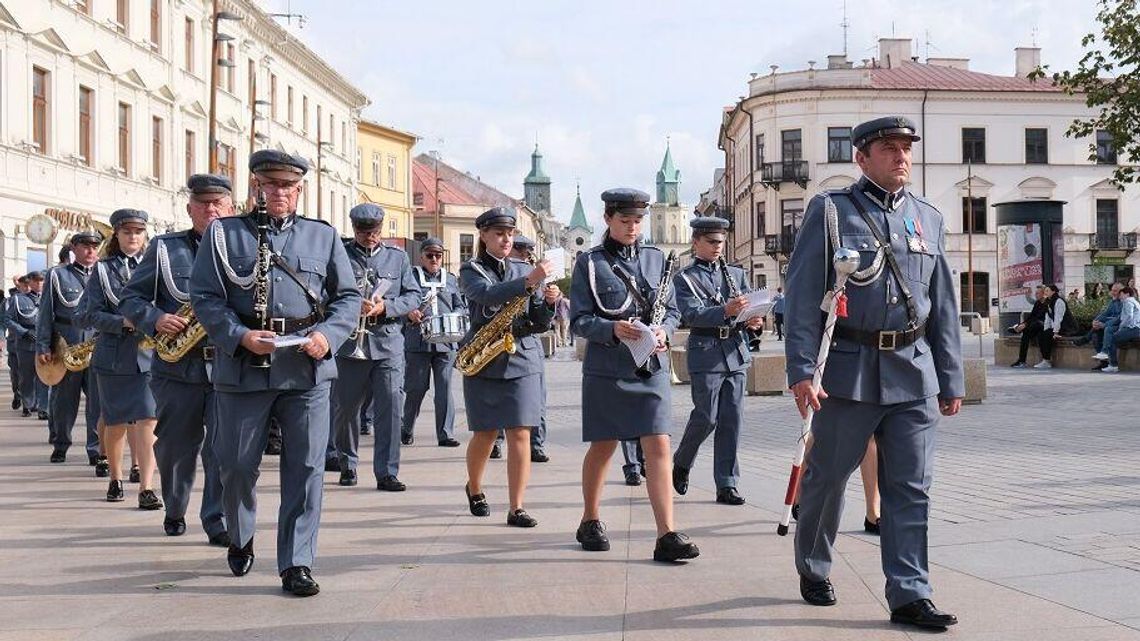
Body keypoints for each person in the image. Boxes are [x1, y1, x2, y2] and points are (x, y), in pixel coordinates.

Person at [784, 117, 963, 629]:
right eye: (890, 149)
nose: (902, 157)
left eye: (906, 149)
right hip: (848, 372)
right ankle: (814, 565)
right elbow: (801, 298)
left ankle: (910, 593)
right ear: (862, 157)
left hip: (913, 372)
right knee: (827, 479)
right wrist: (801, 370)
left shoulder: (928, 217)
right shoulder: (831, 212)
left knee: (911, 487)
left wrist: (950, 376)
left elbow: (942, 304)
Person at [190, 149, 360, 596]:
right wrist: (239, 336)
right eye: (270, 185)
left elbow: (348, 299)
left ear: (299, 190)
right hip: (244, 367)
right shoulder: (225, 235)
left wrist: (328, 334)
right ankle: (241, 533)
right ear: (256, 188)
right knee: (236, 466)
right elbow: (206, 297)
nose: (279, 193)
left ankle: (297, 563)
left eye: (287, 186)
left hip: (305, 368)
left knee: (306, 468)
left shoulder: (322, 237)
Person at [569, 187, 700, 563]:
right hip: (608, 367)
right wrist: (610, 330)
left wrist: (664, 332)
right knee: (604, 445)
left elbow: (673, 311)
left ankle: (666, 534)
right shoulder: (590, 263)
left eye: (637, 221)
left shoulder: (656, 258)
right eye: (624, 221)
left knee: (658, 444)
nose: (632, 227)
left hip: (650, 366)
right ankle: (590, 518)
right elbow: (578, 320)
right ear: (608, 219)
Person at [120, 174, 234, 543]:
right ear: (190, 209)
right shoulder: (166, 249)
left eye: (218, 203)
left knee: (222, 449)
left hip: (228, 366)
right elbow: (130, 299)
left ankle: (215, 519)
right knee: (174, 446)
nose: (211, 209)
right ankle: (175, 505)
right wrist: (156, 318)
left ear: (230, 207)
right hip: (177, 367)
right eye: (203, 203)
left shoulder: (246, 248)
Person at [458, 207, 558, 528]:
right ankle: (474, 487)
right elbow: (486, 297)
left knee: (520, 434)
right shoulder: (471, 270)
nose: (505, 239)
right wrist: (530, 281)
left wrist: (550, 303)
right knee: (485, 434)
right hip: (484, 356)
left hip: (522, 354)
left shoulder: (523, 267)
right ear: (484, 235)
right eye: (499, 233)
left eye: (510, 233)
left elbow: (540, 321)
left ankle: (517, 507)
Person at [671, 217, 764, 506]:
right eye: (711, 242)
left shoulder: (735, 274)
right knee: (706, 417)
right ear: (696, 242)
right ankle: (682, 461)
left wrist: (754, 321)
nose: (717, 248)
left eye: (721, 242)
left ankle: (726, 484)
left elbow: (749, 305)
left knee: (731, 420)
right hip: (707, 352)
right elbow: (691, 314)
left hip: (735, 352)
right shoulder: (684, 278)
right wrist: (725, 310)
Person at [330, 203, 420, 491]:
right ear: (354, 229)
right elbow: (325, 293)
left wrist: (387, 307)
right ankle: (347, 463)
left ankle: (387, 471)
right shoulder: (340, 256)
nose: (370, 237)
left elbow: (413, 296)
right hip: (349, 344)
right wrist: (351, 306)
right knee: (345, 409)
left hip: (388, 342)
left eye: (375, 232)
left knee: (391, 409)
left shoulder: (398, 258)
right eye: (363, 231)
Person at [78, 210, 161, 509]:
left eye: (138, 232)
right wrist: (122, 323)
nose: (133, 237)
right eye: (127, 232)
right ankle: (116, 478)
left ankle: (147, 487)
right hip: (113, 357)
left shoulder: (156, 266)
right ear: (117, 235)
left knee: (148, 419)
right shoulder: (102, 271)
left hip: (149, 355)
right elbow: (87, 315)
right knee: (115, 422)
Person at [38, 231, 104, 465]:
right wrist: (43, 345)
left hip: (97, 345)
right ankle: (61, 444)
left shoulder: (103, 274)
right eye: (85, 246)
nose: (90, 252)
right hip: (68, 344)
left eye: (94, 247)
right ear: (74, 248)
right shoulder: (58, 275)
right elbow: (45, 313)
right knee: (64, 400)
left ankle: (95, 449)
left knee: (97, 401)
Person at [488, 234, 551, 463]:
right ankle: (496, 440)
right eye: (520, 251)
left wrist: (550, 304)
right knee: (498, 398)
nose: (524, 256)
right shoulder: (496, 273)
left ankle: (536, 444)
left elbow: (542, 321)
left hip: (527, 342)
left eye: (527, 253)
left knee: (536, 399)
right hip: (497, 343)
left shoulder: (535, 276)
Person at [401, 237, 464, 449]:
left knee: (445, 388)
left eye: (438, 255)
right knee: (416, 388)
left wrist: (456, 314)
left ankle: (445, 433)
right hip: (418, 341)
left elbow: (460, 305)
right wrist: (409, 313)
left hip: (446, 343)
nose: (435, 259)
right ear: (422, 256)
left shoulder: (451, 279)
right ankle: (406, 427)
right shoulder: (410, 276)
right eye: (430, 255)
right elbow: (400, 303)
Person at [18, 273, 50, 421]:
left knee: (44, 377)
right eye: (36, 281)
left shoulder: (49, 298)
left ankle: (43, 408)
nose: (39, 284)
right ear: (29, 282)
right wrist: (24, 332)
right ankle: (28, 403)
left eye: (41, 281)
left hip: (44, 344)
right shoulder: (18, 300)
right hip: (26, 345)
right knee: (27, 377)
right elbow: (7, 320)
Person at [4, 277, 30, 413]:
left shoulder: (36, 301)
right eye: (24, 286)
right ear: (18, 287)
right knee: (15, 373)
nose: (27, 288)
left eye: (28, 285)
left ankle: (28, 403)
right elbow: (3, 322)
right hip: (14, 344)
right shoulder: (10, 301)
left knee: (28, 374)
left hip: (29, 345)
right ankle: (17, 393)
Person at [1101, 286, 1140, 373]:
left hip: (1132, 329)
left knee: (1112, 338)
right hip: (1136, 329)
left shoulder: (1128, 301)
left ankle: (1113, 365)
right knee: (1114, 336)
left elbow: (1129, 316)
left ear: (1127, 294)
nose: (1120, 297)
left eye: (1121, 294)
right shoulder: (1135, 302)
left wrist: (1121, 327)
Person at [1084, 282, 1123, 367]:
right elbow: (1105, 314)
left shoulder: (1124, 302)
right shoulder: (1113, 301)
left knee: (1108, 330)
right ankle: (1104, 362)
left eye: (1115, 291)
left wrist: (1104, 325)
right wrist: (1095, 321)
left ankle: (1086, 339)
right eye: (1112, 290)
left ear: (1121, 292)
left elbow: (1120, 319)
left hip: (1122, 327)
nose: (1113, 293)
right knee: (1095, 336)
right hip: (1111, 325)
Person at [1009, 285, 1049, 368]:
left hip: (1045, 326)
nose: (1035, 295)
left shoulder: (1047, 303)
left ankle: (1017, 329)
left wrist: (1025, 325)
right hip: (1035, 327)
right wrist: (1023, 324)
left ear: (1044, 294)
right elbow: (1031, 316)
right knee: (1026, 334)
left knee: (1036, 323)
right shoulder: (1038, 303)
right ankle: (1022, 361)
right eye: (1035, 293)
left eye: (1038, 293)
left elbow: (1040, 317)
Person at [1034, 283, 1072, 369]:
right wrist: (1046, 329)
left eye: (1047, 290)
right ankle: (1045, 359)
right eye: (1045, 291)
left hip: (1065, 327)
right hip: (1056, 327)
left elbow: (1058, 317)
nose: (1046, 292)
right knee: (1042, 334)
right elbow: (1048, 318)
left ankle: (1047, 360)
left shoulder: (1059, 301)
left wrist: (1055, 332)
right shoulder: (1048, 302)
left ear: (1053, 291)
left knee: (1047, 335)